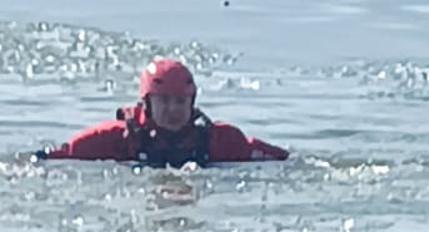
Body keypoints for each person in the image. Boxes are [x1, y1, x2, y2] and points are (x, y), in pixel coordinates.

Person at [37, 58, 287, 167]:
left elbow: (280, 160)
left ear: (192, 102)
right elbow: (60, 155)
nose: (173, 110)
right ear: (146, 103)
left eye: (181, 101)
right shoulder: (114, 138)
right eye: (164, 101)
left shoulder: (220, 139)